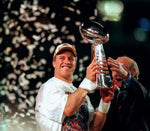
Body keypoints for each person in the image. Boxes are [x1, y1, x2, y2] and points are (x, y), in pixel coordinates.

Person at [35, 43, 116, 131]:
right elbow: (68, 109)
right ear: (54, 63)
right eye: (62, 58)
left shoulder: (82, 94)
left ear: (75, 65)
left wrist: (105, 102)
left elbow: (94, 128)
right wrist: (88, 80)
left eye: (71, 59)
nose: (67, 61)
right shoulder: (48, 88)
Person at [101, 56, 150, 131]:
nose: (116, 73)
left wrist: (126, 76)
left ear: (133, 73)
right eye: (114, 69)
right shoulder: (110, 95)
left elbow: (143, 94)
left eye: (120, 69)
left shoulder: (145, 91)